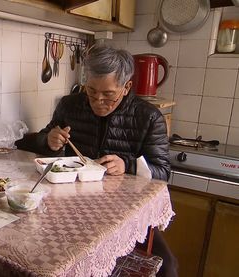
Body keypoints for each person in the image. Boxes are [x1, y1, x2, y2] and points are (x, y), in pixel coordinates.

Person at [17, 44, 177, 276]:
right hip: (70, 207)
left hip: (123, 212)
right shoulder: (70, 105)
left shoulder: (149, 118)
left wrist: (128, 165)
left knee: (168, 267)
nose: (98, 101)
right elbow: (44, 138)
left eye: (108, 94)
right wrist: (49, 141)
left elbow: (162, 172)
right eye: (91, 91)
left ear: (126, 87)